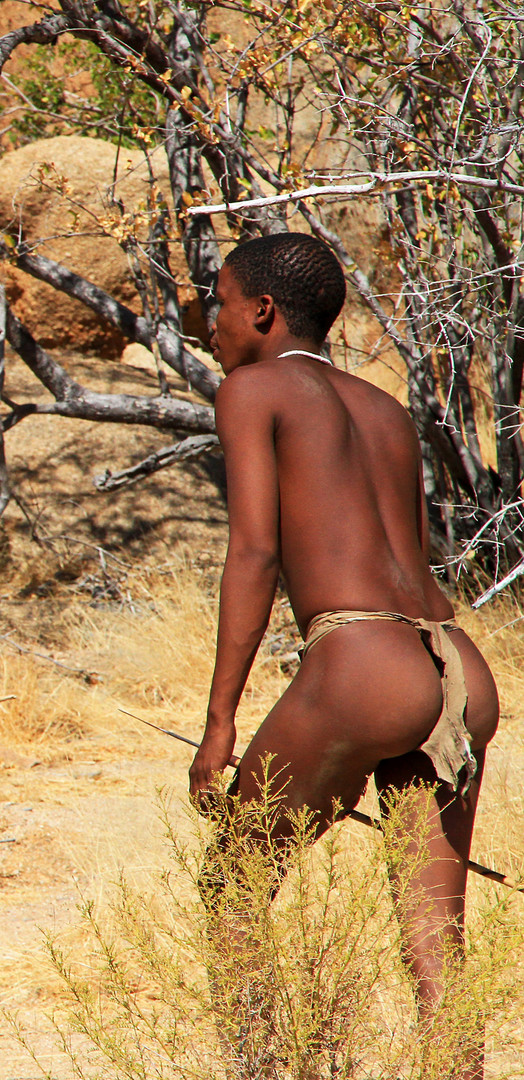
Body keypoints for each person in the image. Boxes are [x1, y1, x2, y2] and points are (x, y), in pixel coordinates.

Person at [190, 233, 500, 1049]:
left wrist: (219, 722)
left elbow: (254, 553)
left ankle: (266, 1067)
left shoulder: (255, 391)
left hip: (365, 661)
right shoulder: (384, 407)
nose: (210, 324)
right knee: (437, 941)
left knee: (233, 879)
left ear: (261, 310)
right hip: (454, 660)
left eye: (218, 304)